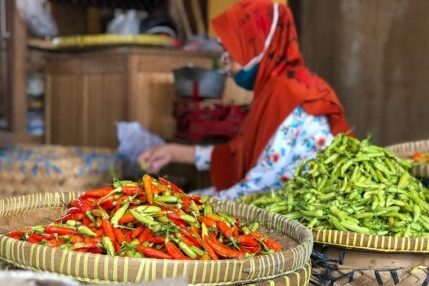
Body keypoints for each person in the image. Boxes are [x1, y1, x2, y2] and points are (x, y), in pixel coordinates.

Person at [138, 0, 350, 200]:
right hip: (274, 194)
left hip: (296, 206)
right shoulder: (276, 88)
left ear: (258, 48)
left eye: (231, 52)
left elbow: (259, 186)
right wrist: (173, 152)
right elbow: (237, 153)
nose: (226, 64)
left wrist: (187, 204)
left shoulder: (287, 96)